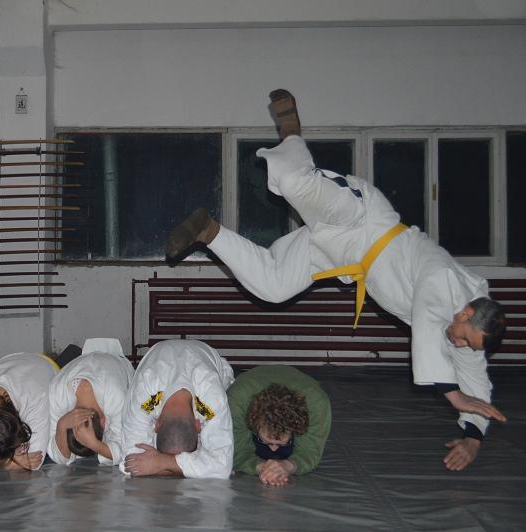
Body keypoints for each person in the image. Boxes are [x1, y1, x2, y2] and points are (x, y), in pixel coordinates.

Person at [166, 89, 507, 471]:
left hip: (343, 256)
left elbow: (477, 382)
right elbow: (428, 319)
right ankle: (291, 132)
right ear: (465, 312)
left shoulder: (467, 327)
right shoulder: (444, 278)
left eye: (466, 344)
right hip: (364, 221)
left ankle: (209, 232)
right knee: (295, 183)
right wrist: (453, 396)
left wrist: (473, 435)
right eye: (464, 337)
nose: (459, 344)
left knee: (274, 287)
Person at [120, 339, 234, 479]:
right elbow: (131, 462)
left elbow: (223, 466)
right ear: (198, 425)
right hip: (157, 356)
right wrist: (178, 465)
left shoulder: (211, 398)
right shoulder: (145, 395)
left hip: (209, 360)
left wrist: (162, 462)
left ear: (157, 424)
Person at [228, 366, 331, 486]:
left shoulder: (317, 404)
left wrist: (288, 466)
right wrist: (261, 467)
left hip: (307, 398)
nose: (273, 449)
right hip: (244, 398)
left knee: (284, 452)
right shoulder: (236, 403)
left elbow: (310, 452)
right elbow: (236, 451)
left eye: (280, 443)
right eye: (267, 441)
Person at [48, 338, 134, 466]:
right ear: (103, 423)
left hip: (119, 362)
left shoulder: (116, 397)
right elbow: (58, 457)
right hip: (85, 362)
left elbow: (128, 450)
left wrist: (94, 444)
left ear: (104, 423)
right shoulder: (57, 391)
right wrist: (61, 426)